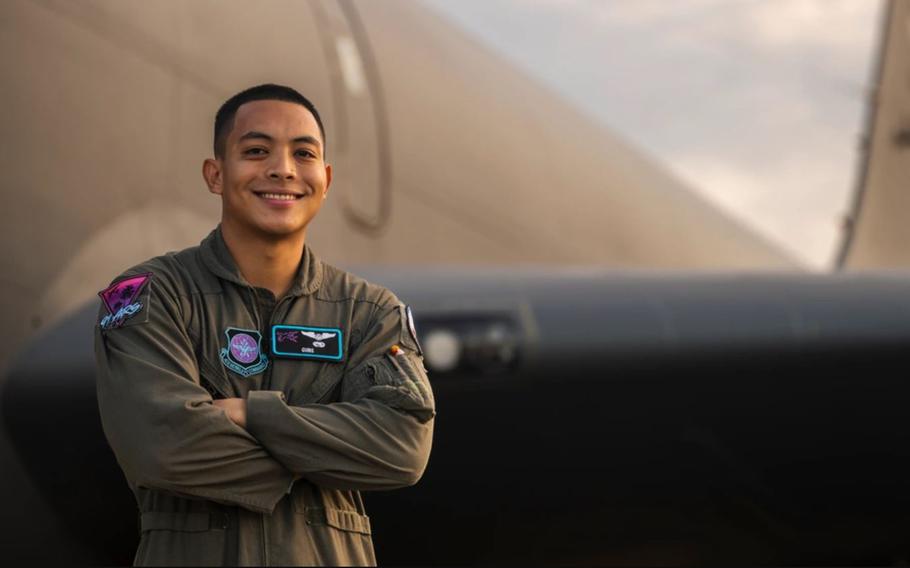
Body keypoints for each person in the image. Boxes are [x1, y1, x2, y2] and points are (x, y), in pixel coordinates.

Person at [94, 84, 435, 566]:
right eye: (256, 151)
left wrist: (253, 415)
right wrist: (328, 454)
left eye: (304, 153)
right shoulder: (155, 294)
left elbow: (401, 447)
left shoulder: (368, 312)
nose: (282, 169)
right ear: (215, 174)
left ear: (326, 177)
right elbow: (162, 445)